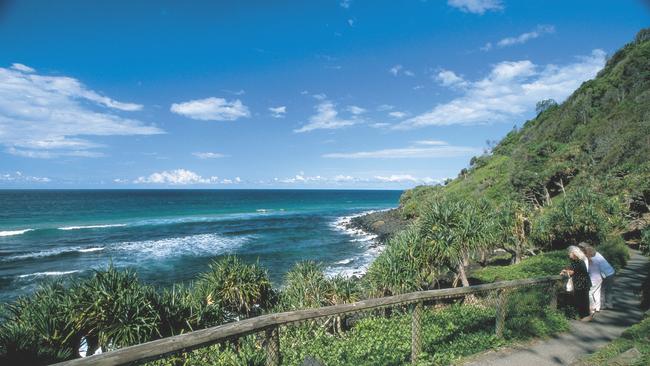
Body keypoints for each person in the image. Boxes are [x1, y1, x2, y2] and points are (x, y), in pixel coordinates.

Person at [579, 242, 616, 310]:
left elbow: (595, 269)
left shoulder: (591, 257)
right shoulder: (595, 253)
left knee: (602, 290)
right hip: (610, 271)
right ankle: (608, 305)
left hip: (606, 273)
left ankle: (602, 305)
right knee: (608, 289)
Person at [560, 246, 592, 321]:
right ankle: (583, 316)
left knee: (583, 300)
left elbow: (572, 272)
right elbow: (570, 269)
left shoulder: (580, 261)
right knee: (580, 299)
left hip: (583, 283)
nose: (569, 254)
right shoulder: (574, 261)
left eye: (570, 253)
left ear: (574, 253)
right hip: (579, 282)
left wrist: (565, 272)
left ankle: (586, 316)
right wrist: (565, 270)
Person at [578, 243, 602, 315]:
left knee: (589, 293)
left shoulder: (586, 260)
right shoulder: (595, 258)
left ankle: (592, 307)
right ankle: (597, 307)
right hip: (599, 278)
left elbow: (586, 271)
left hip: (593, 279)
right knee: (597, 293)